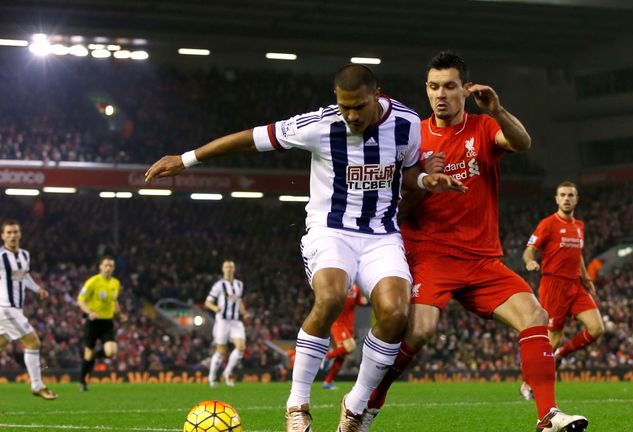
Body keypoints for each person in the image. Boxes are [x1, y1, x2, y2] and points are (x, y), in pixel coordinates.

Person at [144, 64, 465, 432]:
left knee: (395, 314)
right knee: (330, 297)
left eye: (358, 106)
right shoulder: (320, 125)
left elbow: (405, 173)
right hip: (330, 231)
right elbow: (252, 137)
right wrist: (187, 160)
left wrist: (426, 179)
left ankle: (356, 404)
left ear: (377, 96)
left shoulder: (407, 123)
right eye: (344, 106)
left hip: (381, 234)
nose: (351, 115)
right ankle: (297, 405)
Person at [363, 52, 588, 432]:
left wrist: (498, 111)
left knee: (534, 316)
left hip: (482, 260)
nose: (440, 94)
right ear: (427, 89)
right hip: (429, 254)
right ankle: (368, 402)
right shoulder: (412, 136)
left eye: (449, 86)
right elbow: (395, 204)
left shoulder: (483, 128)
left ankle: (547, 416)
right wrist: (426, 182)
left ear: (465, 90)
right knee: (419, 330)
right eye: (434, 86)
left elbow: (522, 142)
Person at [520, 182, 605, 400]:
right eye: (563, 195)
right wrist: (530, 262)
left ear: (577, 199)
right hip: (554, 285)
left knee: (597, 328)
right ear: (557, 199)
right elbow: (529, 251)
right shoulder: (548, 224)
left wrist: (585, 277)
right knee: (552, 337)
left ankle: (560, 355)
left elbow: (578, 254)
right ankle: (529, 382)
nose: (566, 198)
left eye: (571, 195)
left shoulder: (579, 226)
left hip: (575, 285)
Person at [0, 219, 58, 400]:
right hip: (5, 308)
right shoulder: (0, 257)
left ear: (20, 234)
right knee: (33, 342)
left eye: (15, 232)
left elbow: (24, 277)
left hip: (16, 308)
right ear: (2, 236)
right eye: (8, 232)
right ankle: (37, 385)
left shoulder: (25, 255)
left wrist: (37, 289)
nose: (12, 235)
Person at [78, 255, 125, 391]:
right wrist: (89, 312)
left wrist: (120, 314)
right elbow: (81, 300)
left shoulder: (115, 283)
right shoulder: (92, 282)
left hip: (107, 322)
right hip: (93, 322)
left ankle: (93, 357)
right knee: (88, 354)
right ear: (100, 266)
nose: (108, 268)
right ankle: (82, 381)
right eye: (106, 265)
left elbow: (114, 301)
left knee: (111, 352)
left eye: (111, 266)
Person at [205, 260, 248, 388]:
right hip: (222, 321)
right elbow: (207, 302)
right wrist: (214, 308)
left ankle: (227, 373)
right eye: (226, 267)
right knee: (221, 351)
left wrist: (244, 313)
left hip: (235, 321)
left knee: (241, 347)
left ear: (234, 269)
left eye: (231, 267)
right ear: (223, 269)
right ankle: (212, 377)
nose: (229, 269)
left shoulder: (239, 284)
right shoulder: (219, 285)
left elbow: (238, 301)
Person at [321, 283, 367, 390]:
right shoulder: (339, 283)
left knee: (342, 355)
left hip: (349, 325)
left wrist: (363, 301)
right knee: (351, 347)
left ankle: (327, 382)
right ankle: (327, 356)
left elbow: (359, 302)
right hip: (338, 322)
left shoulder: (355, 288)